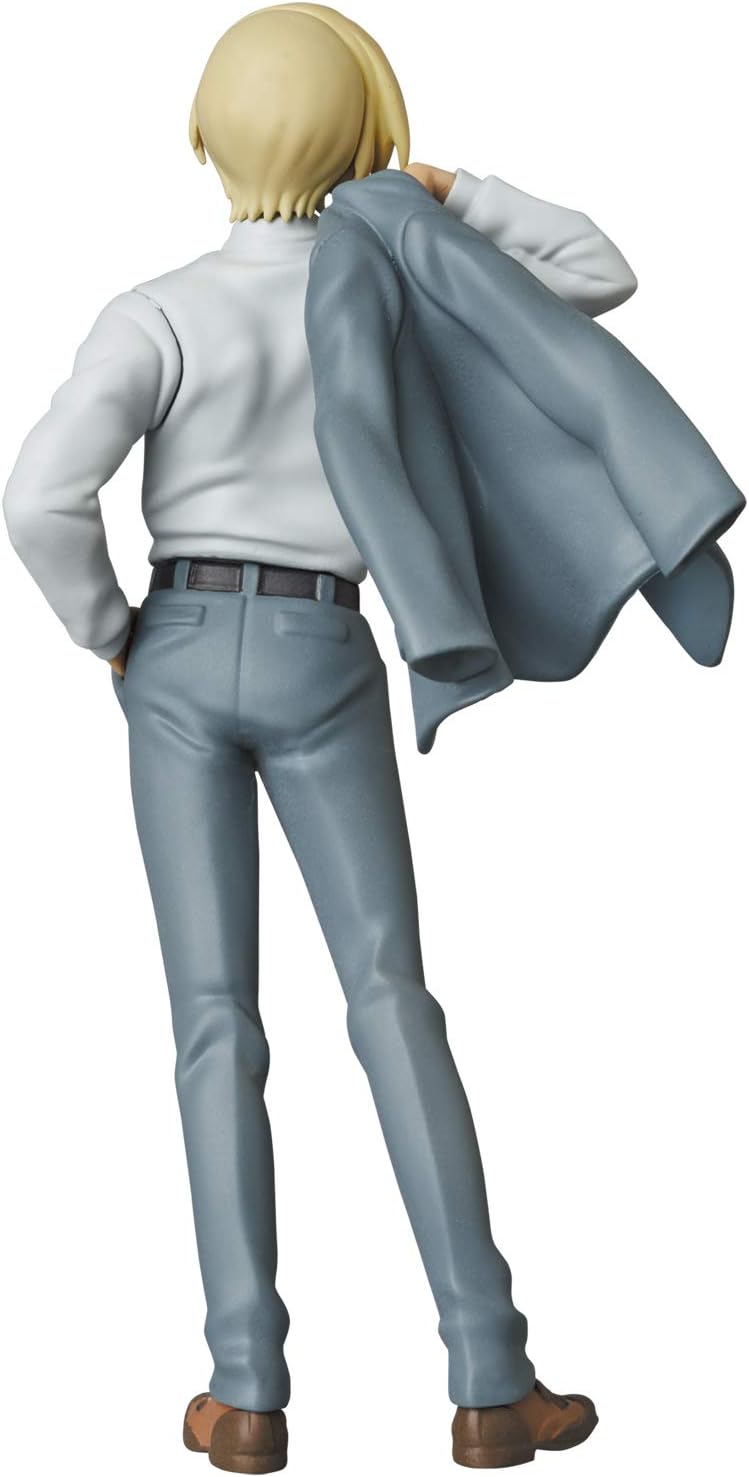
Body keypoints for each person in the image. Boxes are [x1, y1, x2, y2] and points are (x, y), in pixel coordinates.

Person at [4, 6, 742, 1472]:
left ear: (202, 137)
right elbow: (595, 271)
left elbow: (40, 496)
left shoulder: (156, 311)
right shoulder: (398, 286)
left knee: (212, 1023)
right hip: (322, 648)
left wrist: (107, 632)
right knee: (391, 999)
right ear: (366, 141)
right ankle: (488, 1375)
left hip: (175, 651)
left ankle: (245, 1393)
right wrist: (450, 190)